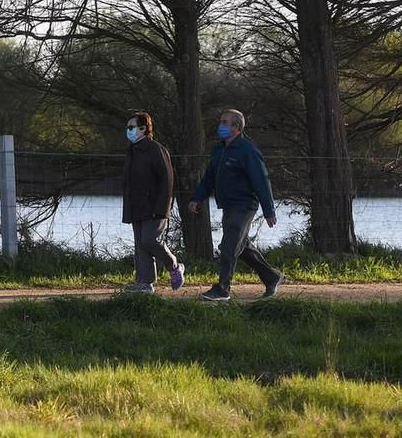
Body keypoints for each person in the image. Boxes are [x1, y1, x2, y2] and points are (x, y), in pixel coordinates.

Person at [186, 107, 283, 303]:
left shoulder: (248, 150)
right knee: (239, 245)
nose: (220, 126)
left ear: (237, 128)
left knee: (229, 245)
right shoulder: (219, 150)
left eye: (224, 122)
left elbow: (261, 180)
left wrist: (269, 210)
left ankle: (223, 289)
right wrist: (197, 198)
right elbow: (209, 178)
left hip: (245, 205)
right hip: (228, 206)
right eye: (221, 121)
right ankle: (272, 276)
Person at [120, 111, 183, 293]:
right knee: (140, 244)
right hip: (136, 206)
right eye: (127, 128)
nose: (128, 131)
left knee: (151, 240)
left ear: (143, 128)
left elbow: (167, 179)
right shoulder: (132, 151)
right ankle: (145, 282)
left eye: (131, 127)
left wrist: (162, 207)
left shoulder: (156, 150)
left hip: (154, 206)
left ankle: (174, 266)